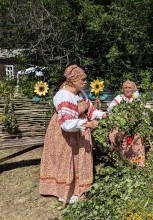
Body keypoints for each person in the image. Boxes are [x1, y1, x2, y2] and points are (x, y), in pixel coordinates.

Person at [39, 65, 106, 205]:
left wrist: (105, 116)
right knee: (67, 158)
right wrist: (88, 124)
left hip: (79, 130)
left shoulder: (81, 93)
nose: (85, 82)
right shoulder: (64, 95)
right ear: (72, 81)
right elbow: (66, 123)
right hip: (65, 133)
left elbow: (91, 111)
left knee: (80, 158)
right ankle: (66, 192)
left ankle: (80, 188)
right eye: (82, 79)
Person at [107, 80, 145, 167]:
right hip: (120, 124)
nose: (127, 90)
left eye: (129, 88)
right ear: (123, 89)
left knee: (138, 136)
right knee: (115, 135)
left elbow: (142, 112)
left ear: (133, 89)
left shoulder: (136, 99)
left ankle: (136, 162)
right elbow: (110, 109)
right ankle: (120, 161)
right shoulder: (119, 98)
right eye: (125, 88)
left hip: (134, 124)